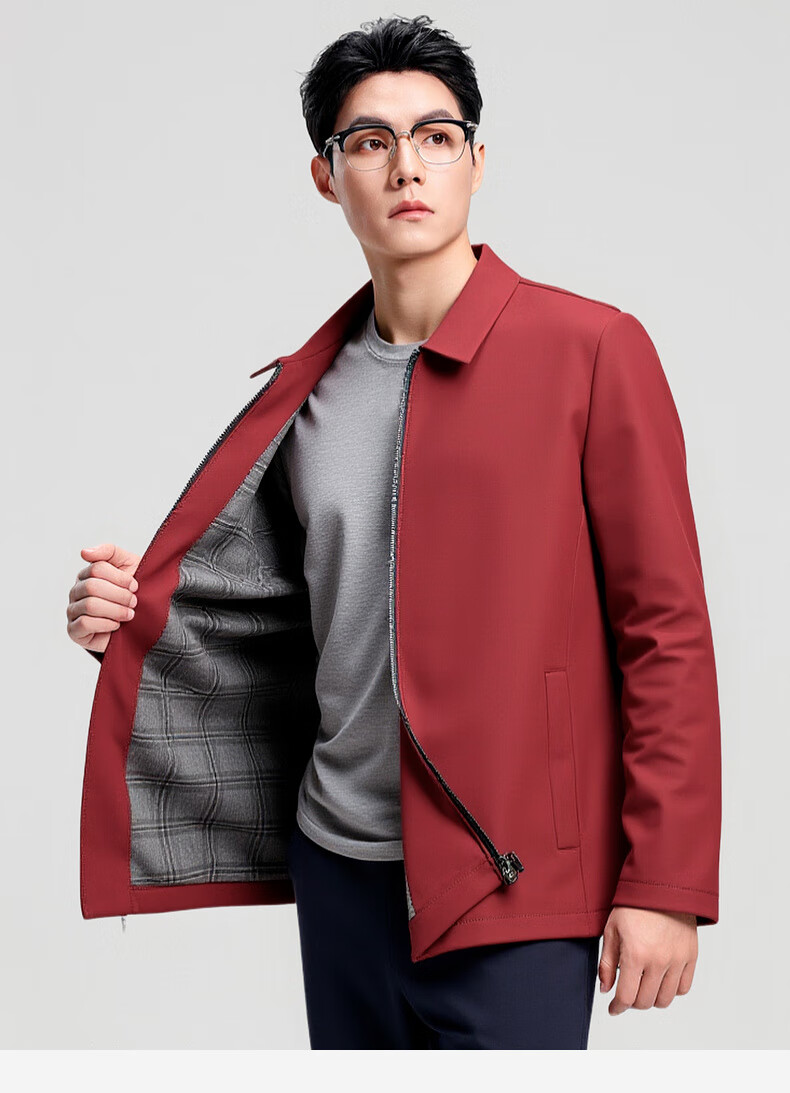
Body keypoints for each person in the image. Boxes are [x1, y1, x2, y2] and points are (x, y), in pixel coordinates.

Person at [66, 15, 722, 1050]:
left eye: (435, 136)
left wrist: (665, 882)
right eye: (370, 141)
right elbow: (288, 621)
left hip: (512, 881)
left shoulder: (591, 349)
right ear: (327, 177)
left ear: (476, 162)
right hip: (340, 871)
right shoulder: (304, 393)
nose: (406, 166)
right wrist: (133, 616)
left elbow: (666, 629)